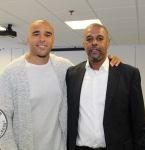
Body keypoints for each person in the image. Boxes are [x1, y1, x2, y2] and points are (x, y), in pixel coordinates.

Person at [0, 20, 122, 150]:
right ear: (28, 39)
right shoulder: (11, 73)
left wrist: (110, 62)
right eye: (36, 34)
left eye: (47, 35)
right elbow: (3, 118)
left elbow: (90, 71)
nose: (42, 39)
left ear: (53, 40)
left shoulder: (63, 67)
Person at [66, 23, 145, 150]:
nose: (94, 42)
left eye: (99, 38)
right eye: (89, 39)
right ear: (84, 45)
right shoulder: (71, 74)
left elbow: (139, 122)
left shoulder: (128, 75)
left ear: (107, 43)